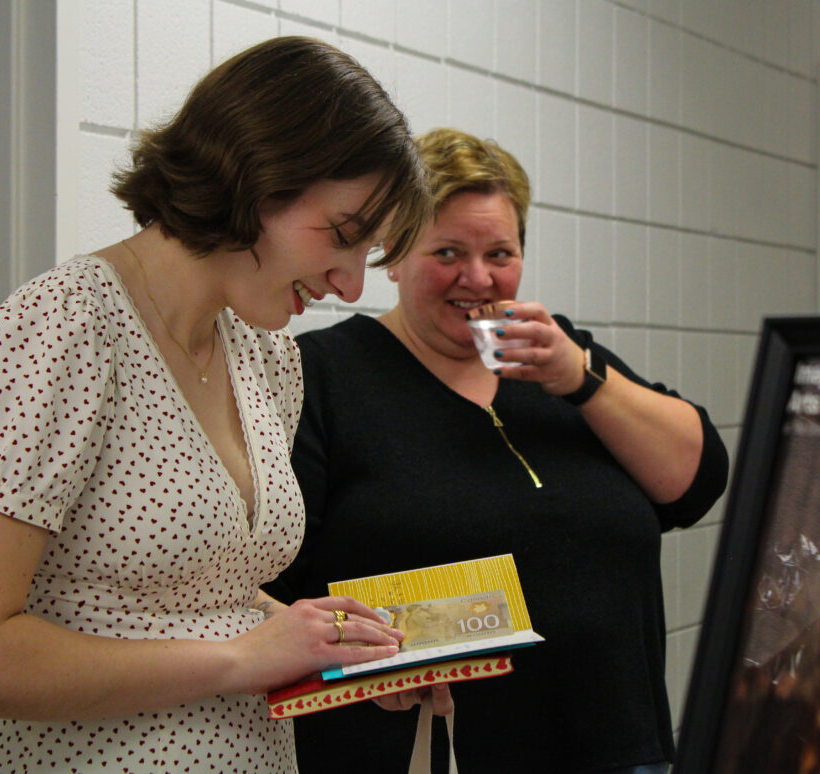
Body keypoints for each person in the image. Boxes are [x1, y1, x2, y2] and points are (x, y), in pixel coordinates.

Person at [0, 36, 432, 773]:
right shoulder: (69, 326)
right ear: (256, 174)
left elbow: (198, 598)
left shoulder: (265, 354)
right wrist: (242, 659)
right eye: (343, 237)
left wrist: (330, 649)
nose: (349, 285)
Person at [264, 127, 730, 773]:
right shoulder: (324, 376)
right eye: (448, 251)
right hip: (429, 752)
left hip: (619, 747)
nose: (478, 278)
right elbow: (271, 584)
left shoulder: (552, 352)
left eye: (501, 253)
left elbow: (694, 483)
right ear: (392, 256)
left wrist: (581, 379)